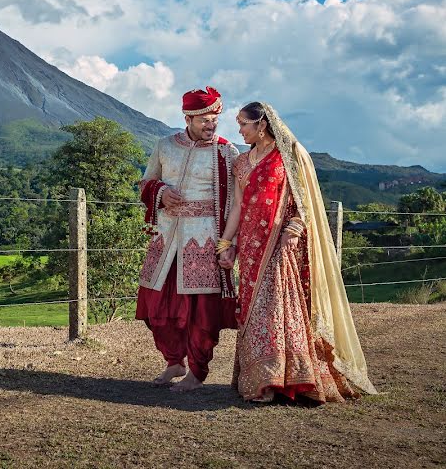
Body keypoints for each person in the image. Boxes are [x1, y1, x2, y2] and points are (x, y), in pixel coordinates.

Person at [218, 101, 378, 402]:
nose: (239, 130)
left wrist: (293, 230)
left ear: (261, 124)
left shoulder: (289, 158)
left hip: (281, 243)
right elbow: (238, 207)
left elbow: (306, 203)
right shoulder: (241, 163)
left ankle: (290, 378)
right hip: (251, 249)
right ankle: (263, 379)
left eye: (243, 123)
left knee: (279, 306)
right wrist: (227, 245)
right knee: (255, 308)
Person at [135, 87, 240, 391]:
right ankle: (174, 361)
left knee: (201, 311)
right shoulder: (165, 146)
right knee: (157, 305)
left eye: (215, 120)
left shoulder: (226, 152)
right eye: (205, 120)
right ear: (188, 118)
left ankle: (197, 371)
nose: (212, 125)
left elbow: (235, 203)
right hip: (166, 237)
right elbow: (146, 181)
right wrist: (162, 193)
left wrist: (229, 244)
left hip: (205, 240)